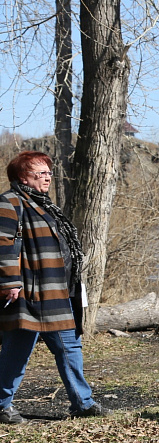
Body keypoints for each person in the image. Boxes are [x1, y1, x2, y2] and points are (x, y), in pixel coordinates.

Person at [0, 151, 109, 424]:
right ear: (23, 175)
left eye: (49, 172)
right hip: (28, 295)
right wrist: (9, 282)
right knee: (17, 351)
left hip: (59, 292)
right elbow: (2, 244)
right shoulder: (9, 202)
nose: (48, 177)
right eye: (41, 172)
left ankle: (83, 404)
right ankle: (1, 405)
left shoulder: (46, 205)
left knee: (70, 347)